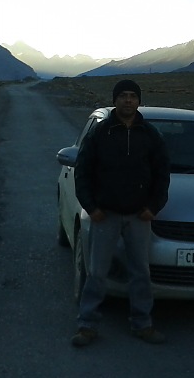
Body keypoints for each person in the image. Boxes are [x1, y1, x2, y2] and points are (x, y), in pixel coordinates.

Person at [71, 79, 170, 347]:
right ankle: (87, 325)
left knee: (140, 273)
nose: (128, 100)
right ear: (115, 100)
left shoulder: (150, 135)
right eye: (123, 96)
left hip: (139, 216)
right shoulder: (100, 133)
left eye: (132, 96)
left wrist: (153, 206)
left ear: (138, 101)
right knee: (96, 273)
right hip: (106, 215)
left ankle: (142, 324)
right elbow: (83, 172)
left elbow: (162, 174)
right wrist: (91, 207)